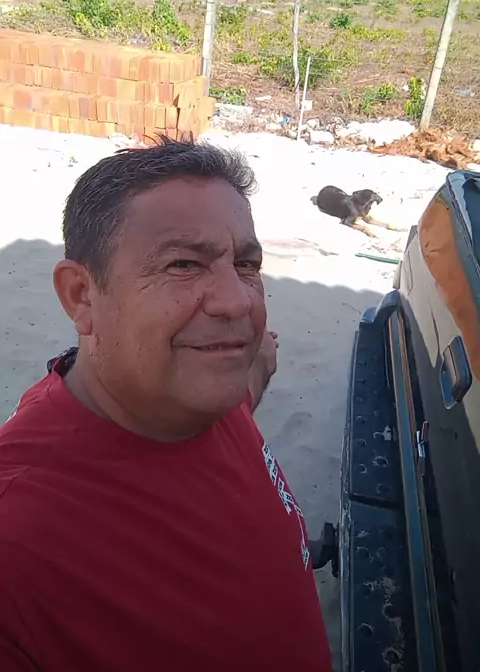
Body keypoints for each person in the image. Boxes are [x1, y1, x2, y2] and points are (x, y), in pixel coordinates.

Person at [0, 136, 332, 672]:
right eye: (183, 264)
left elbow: (251, 378)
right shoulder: (21, 542)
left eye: (246, 264)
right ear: (82, 296)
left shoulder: (196, 393)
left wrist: (256, 359)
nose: (239, 301)